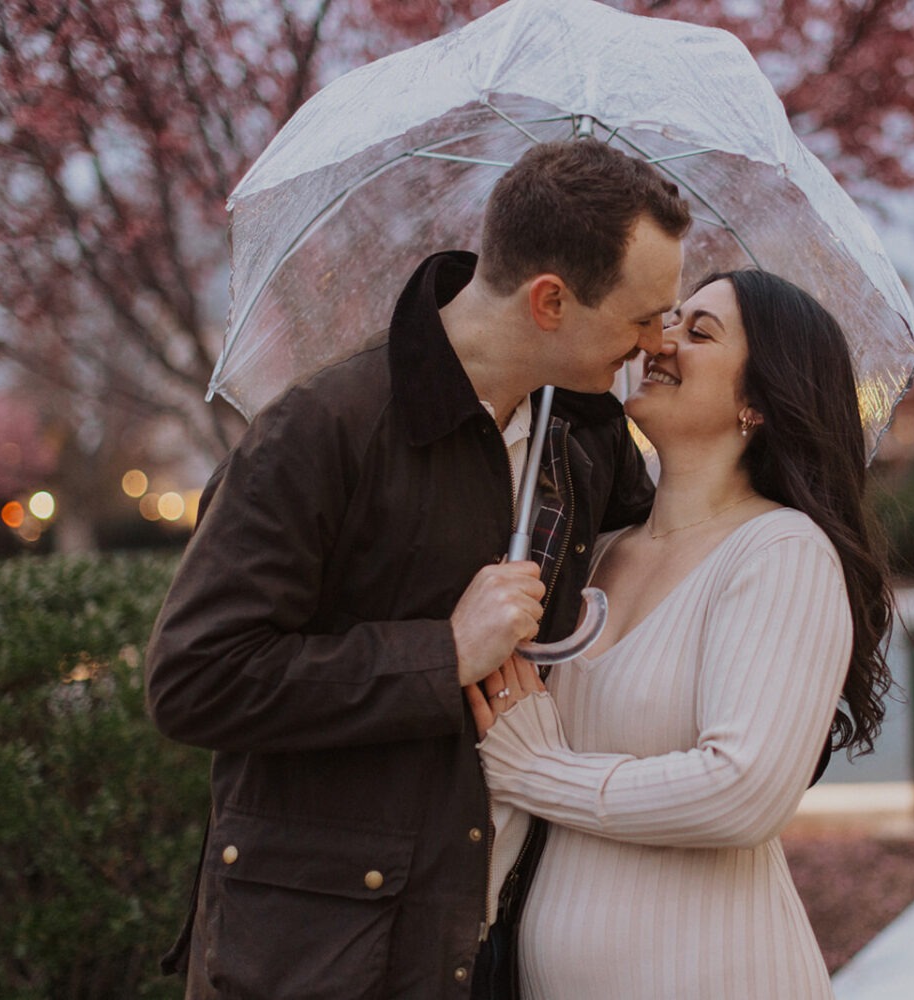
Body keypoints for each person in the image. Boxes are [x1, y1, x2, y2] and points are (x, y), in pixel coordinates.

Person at [143, 139, 690, 999]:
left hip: (493, 942)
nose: (656, 341)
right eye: (642, 316)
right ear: (551, 300)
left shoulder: (584, 441)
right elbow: (195, 679)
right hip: (321, 961)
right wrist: (441, 652)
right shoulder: (323, 432)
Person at [469, 269, 897, 999]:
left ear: (758, 402)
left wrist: (537, 773)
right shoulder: (597, 554)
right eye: (669, 322)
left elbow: (741, 791)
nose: (661, 343)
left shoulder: (780, 551)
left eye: (700, 333)